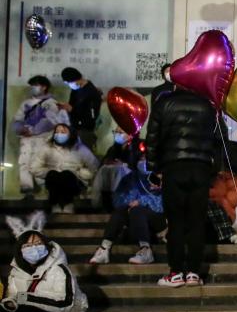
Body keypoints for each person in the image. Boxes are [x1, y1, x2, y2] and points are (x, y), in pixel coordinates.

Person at [145, 84, 218, 288]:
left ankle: (176, 272)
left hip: (174, 167)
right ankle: (194, 272)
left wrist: (153, 168)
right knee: (196, 221)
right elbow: (218, 139)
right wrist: (212, 169)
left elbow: (152, 137)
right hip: (201, 168)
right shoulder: (207, 105)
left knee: (176, 222)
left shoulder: (164, 103)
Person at [1, 212, 87, 312]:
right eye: (27, 246)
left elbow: (67, 303)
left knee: (28, 311)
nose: (33, 249)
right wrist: (10, 303)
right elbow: (13, 295)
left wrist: (26, 299)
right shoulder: (16, 272)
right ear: (20, 250)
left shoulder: (60, 269)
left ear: (46, 246)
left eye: (37, 244)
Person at [88, 160, 165, 265]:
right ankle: (104, 248)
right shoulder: (131, 178)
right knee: (121, 210)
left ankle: (146, 250)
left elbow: (164, 204)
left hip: (158, 219)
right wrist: (129, 203)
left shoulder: (164, 176)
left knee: (137, 210)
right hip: (135, 219)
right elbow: (118, 199)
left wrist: (141, 202)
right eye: (141, 157)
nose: (144, 160)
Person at [13, 76, 67, 197]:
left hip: (42, 139)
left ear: (44, 87)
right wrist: (20, 129)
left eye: (35, 85)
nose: (33, 88)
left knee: (42, 165)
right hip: (26, 140)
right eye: (32, 85)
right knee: (24, 164)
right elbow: (17, 120)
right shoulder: (26, 103)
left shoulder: (51, 103)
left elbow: (49, 121)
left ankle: (50, 192)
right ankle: (27, 193)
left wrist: (32, 131)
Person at [30, 123, 99, 214]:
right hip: (53, 180)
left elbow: (94, 167)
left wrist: (79, 173)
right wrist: (49, 172)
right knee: (53, 175)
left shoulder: (81, 149)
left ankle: (68, 204)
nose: (59, 134)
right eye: (57, 132)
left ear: (70, 134)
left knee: (67, 174)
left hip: (74, 181)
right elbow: (34, 167)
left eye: (63, 132)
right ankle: (55, 205)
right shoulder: (46, 148)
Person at [91, 128, 143, 210]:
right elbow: (104, 162)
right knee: (104, 169)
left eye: (120, 132)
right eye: (115, 132)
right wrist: (108, 162)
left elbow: (140, 166)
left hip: (132, 179)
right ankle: (106, 205)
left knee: (119, 170)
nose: (117, 134)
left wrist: (123, 164)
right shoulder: (113, 148)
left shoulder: (138, 146)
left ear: (130, 135)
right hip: (111, 180)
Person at [60, 67, 102, 151]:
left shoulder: (92, 92)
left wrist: (72, 110)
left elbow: (91, 117)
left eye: (70, 82)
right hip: (74, 127)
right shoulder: (75, 89)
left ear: (77, 79)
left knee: (84, 156)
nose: (70, 85)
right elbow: (72, 105)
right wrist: (67, 108)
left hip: (85, 130)